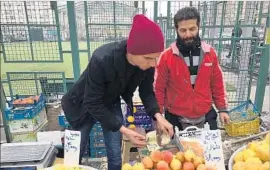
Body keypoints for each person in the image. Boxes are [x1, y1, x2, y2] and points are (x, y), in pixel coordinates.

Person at [61, 14, 173, 170]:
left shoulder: (148, 63)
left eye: (156, 58)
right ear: (133, 51)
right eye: (148, 58)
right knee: (75, 152)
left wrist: (158, 116)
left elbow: (147, 92)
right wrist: (125, 129)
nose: (153, 63)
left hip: (110, 102)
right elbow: (92, 102)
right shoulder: (102, 58)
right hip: (82, 105)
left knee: (115, 153)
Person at [154, 7, 230, 131]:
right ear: (176, 30)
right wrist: (158, 116)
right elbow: (158, 89)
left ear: (198, 27)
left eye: (192, 29)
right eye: (183, 30)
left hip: (205, 113)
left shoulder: (210, 54)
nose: (188, 34)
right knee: (177, 150)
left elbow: (217, 83)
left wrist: (222, 109)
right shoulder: (166, 57)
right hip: (175, 116)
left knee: (208, 150)